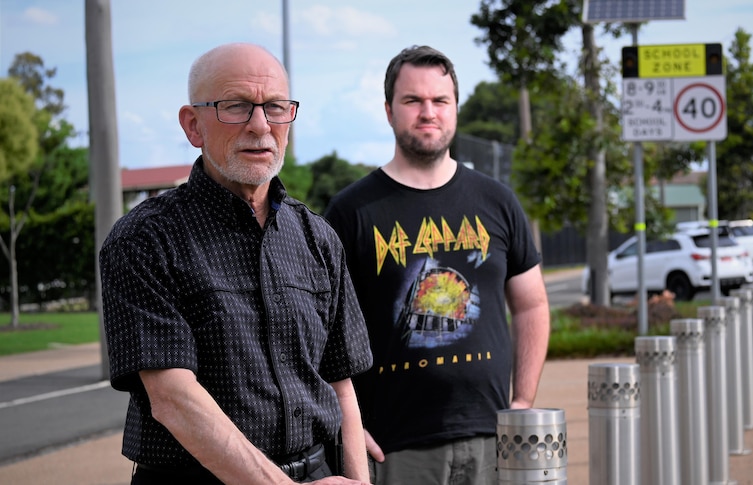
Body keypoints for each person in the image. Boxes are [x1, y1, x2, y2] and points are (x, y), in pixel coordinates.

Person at [99, 43, 373, 485]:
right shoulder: (145, 240)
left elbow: (340, 382)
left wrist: (359, 482)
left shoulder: (318, 238)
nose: (260, 125)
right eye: (236, 107)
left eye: (276, 108)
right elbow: (173, 397)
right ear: (193, 125)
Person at [324, 45, 551, 485]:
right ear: (389, 110)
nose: (428, 112)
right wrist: (347, 427)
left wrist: (522, 401)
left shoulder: (497, 202)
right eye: (413, 100)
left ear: (455, 109)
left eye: (440, 101)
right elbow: (319, 334)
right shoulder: (351, 212)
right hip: (394, 450)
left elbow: (531, 305)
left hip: (493, 440)